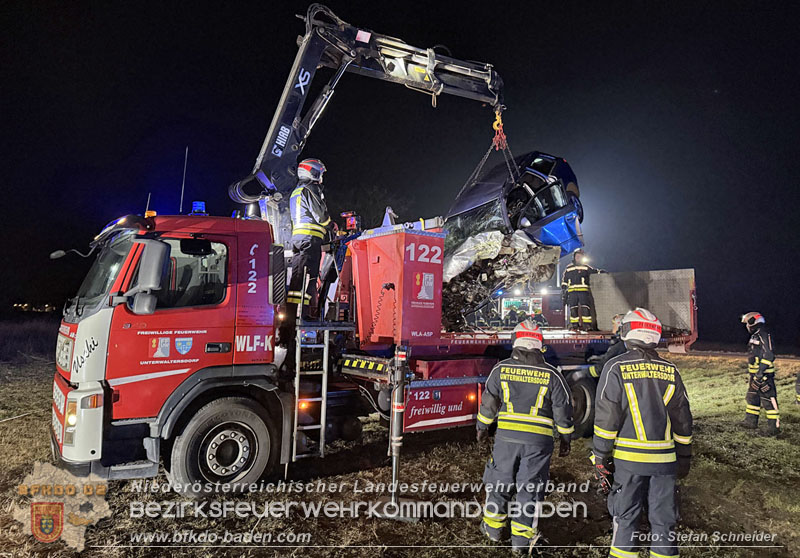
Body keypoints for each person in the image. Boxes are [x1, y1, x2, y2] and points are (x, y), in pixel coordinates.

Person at [592, 308, 693, 558]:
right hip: (665, 462)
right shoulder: (671, 370)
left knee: (625, 517)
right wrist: (684, 457)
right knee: (664, 520)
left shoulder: (616, 367)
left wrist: (600, 455)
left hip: (629, 461)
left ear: (628, 332)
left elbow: (607, 417)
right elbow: (682, 419)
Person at [477, 320, 574, 555]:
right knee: (529, 489)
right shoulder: (552, 374)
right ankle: (521, 544)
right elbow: (563, 409)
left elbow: (490, 402)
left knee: (499, 482)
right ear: (540, 345)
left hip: (506, 440)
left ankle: (493, 531)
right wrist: (566, 438)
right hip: (538, 443)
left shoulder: (500, 369)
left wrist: (482, 427)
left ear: (515, 342)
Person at [286, 159, 335, 320]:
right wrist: (331, 225)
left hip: (299, 240)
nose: (321, 177)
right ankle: (304, 315)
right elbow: (321, 216)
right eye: (320, 173)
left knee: (297, 280)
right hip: (310, 240)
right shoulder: (311, 188)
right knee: (310, 278)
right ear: (313, 172)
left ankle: (292, 317)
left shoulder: (297, 191)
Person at [740, 312, 780, 435]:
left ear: (753, 322)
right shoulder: (755, 336)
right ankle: (750, 422)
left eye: (747, 323)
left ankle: (774, 428)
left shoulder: (763, 334)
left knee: (768, 399)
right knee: (752, 397)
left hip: (764, 376)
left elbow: (769, 354)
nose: (747, 326)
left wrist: (760, 373)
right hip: (755, 376)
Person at [561, 249, 600, 331]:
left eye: (580, 256)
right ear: (574, 257)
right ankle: (575, 325)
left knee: (585, 308)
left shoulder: (586, 267)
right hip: (572, 292)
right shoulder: (569, 268)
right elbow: (565, 280)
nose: (578, 258)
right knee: (573, 309)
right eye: (577, 256)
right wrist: (564, 289)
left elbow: (594, 272)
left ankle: (587, 326)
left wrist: (600, 272)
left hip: (583, 291)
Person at [587, 313, 625, 378]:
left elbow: (602, 366)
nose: (613, 328)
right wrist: (598, 358)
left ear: (620, 327)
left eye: (614, 325)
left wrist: (586, 373)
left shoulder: (619, 346)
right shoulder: (624, 344)